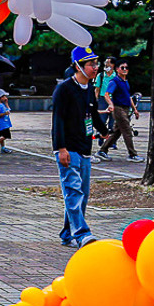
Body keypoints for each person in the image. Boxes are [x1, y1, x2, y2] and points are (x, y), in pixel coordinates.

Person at [50, 48, 98, 249]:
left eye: (96, 63)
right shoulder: (64, 89)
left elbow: (92, 114)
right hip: (68, 149)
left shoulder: (89, 88)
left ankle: (67, 232)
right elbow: (58, 120)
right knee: (73, 191)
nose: (95, 67)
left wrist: (105, 131)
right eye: (91, 64)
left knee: (82, 194)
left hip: (84, 148)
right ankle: (81, 234)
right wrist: (61, 148)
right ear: (78, 66)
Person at [99, 61, 139, 160]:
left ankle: (102, 150)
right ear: (117, 69)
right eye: (122, 67)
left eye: (126, 68)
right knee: (127, 130)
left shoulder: (125, 82)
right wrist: (111, 104)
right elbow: (106, 94)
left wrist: (135, 109)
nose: (125, 69)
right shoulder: (114, 81)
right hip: (118, 108)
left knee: (117, 132)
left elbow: (128, 97)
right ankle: (133, 154)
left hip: (126, 108)